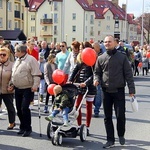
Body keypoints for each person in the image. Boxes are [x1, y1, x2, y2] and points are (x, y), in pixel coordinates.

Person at [94, 35, 135, 149]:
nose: (107, 43)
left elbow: (128, 74)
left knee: (120, 115)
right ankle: (110, 140)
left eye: (109, 42)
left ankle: (121, 134)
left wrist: (131, 90)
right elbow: (96, 72)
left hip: (118, 91)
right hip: (105, 91)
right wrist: (96, 79)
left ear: (115, 43)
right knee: (107, 117)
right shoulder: (101, 58)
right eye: (106, 42)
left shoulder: (122, 57)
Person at [11, 44, 41, 137]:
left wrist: (35, 85)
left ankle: (28, 128)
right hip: (17, 88)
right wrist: (11, 84)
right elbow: (13, 74)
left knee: (24, 108)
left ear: (21, 52)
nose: (14, 52)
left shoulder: (31, 60)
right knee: (19, 109)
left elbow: (36, 74)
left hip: (28, 88)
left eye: (16, 51)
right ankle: (22, 126)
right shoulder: (17, 60)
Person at [68, 49, 96, 136]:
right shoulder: (80, 62)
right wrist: (70, 80)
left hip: (90, 87)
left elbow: (94, 75)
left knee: (89, 106)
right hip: (80, 86)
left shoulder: (93, 63)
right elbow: (74, 71)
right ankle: (79, 125)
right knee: (77, 106)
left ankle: (87, 126)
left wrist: (86, 83)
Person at [0, 47, 16, 129]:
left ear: (8, 55)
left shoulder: (12, 65)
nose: (2, 56)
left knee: (10, 107)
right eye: (0, 54)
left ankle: (12, 122)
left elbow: (14, 77)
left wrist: (11, 85)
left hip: (7, 90)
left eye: (4, 54)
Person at [92, 41, 102, 117]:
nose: (92, 49)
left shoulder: (101, 56)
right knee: (92, 94)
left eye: (93, 47)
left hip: (99, 77)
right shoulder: (91, 55)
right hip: (91, 77)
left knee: (98, 94)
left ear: (98, 48)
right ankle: (94, 105)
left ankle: (96, 109)